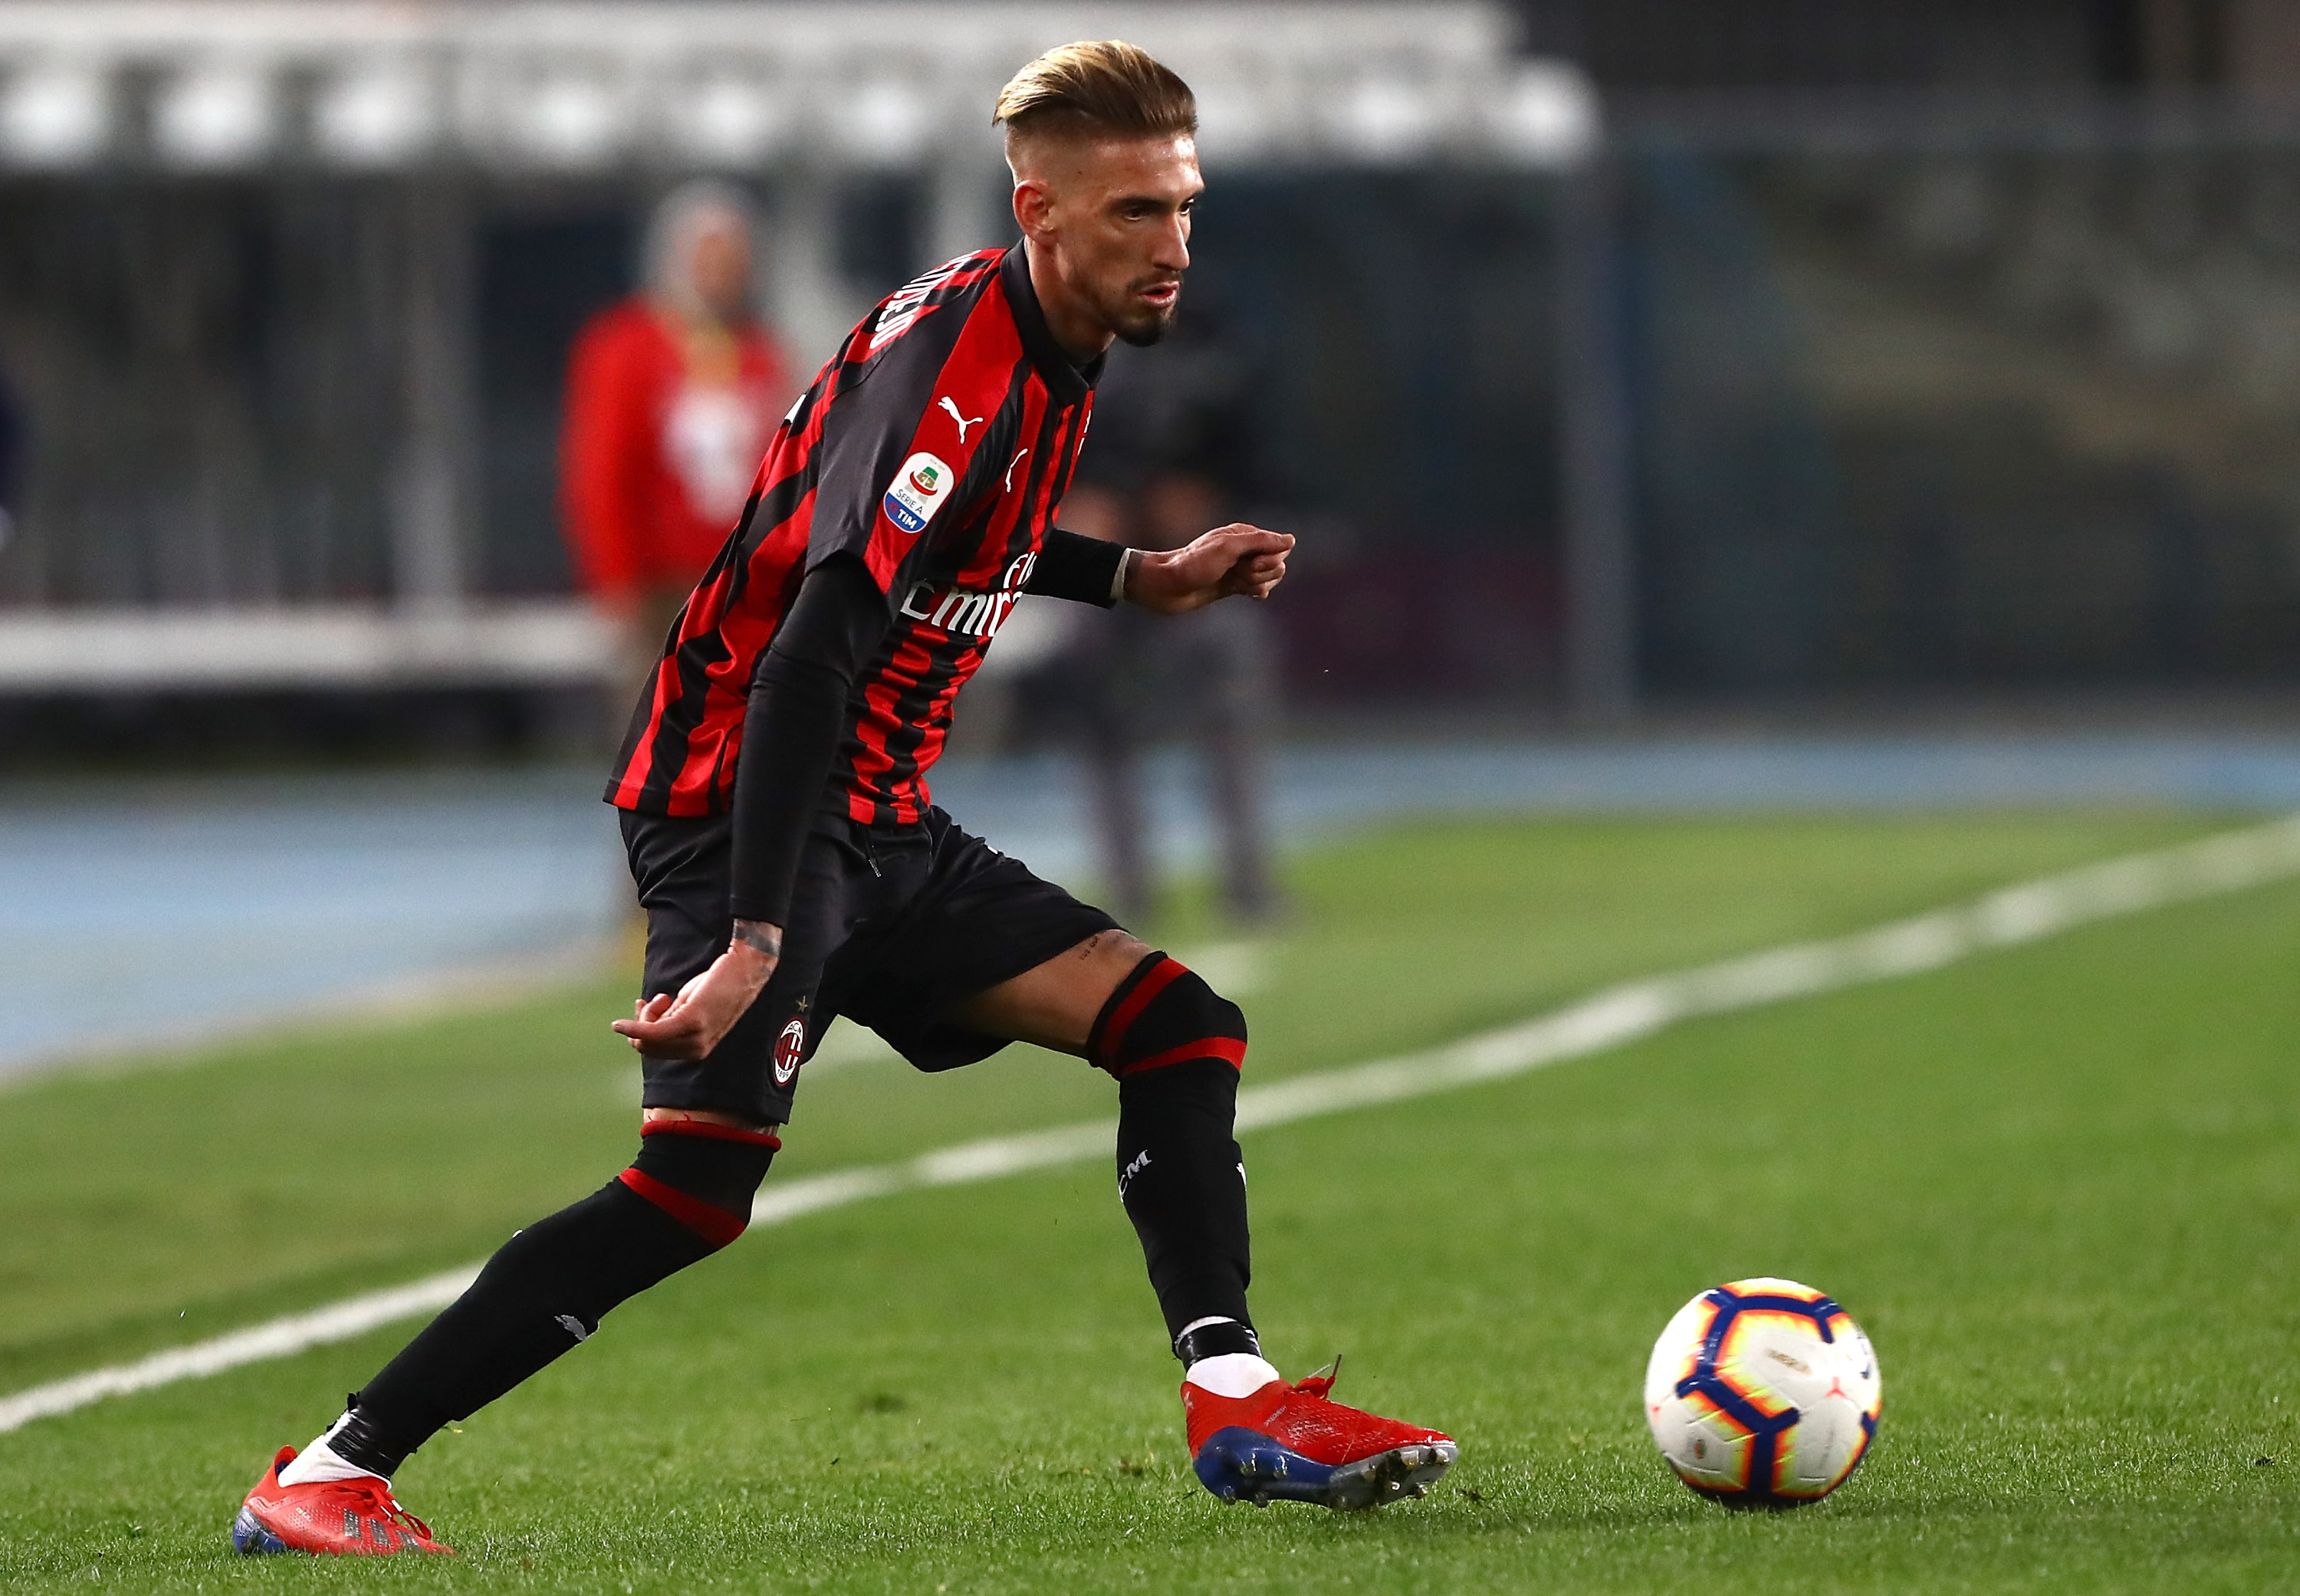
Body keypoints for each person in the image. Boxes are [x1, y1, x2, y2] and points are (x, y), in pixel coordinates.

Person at [232, 42, 1454, 1558]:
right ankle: (333, 1474)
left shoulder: (1052, 335)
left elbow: (963, 547)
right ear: (1042, 210)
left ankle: (1236, 1401)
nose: (1175, 246)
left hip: (871, 818)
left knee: (1180, 1025)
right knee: (691, 1192)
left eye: (1186, 207)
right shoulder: (957, 369)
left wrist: (1138, 574)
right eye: (1139, 211)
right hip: (746, 796)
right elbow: (814, 645)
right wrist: (749, 929)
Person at [1046, 305, 1280, 924]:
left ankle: (1249, 884)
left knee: (1230, 703)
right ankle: (1130, 891)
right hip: (1107, 564)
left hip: (1197, 558)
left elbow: (1244, 451)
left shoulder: (1210, 344)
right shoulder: (1060, 344)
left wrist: (1215, 503)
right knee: (1103, 721)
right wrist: (1078, 505)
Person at [560, 180, 794, 694]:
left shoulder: (759, 353)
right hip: (661, 588)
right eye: (707, 258)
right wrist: (616, 585)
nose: (719, 275)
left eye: (731, 260)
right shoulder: (624, 350)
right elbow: (600, 473)